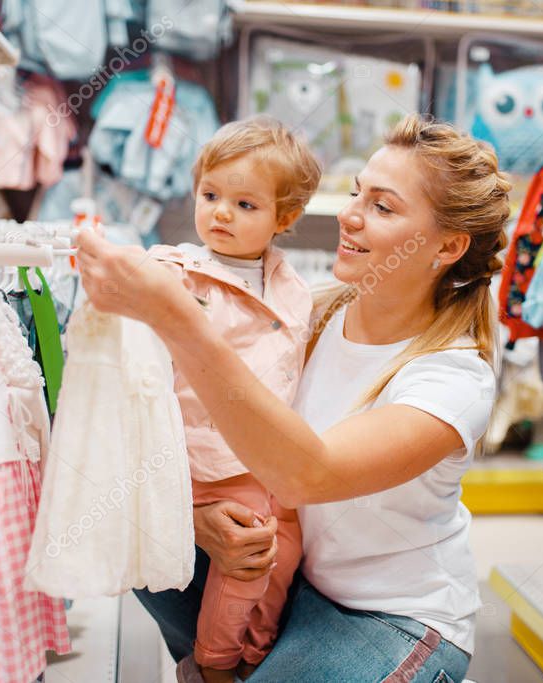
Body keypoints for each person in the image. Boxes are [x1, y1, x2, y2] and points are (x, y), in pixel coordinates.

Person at [77, 114, 510, 682]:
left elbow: (309, 474)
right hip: (292, 579)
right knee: (139, 539)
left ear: (448, 245)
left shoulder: (452, 376)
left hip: (390, 617)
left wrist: (181, 319)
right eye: (356, 193)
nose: (349, 216)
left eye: (382, 207)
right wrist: (198, 518)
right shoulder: (308, 313)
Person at [146, 116, 322, 683]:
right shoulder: (176, 274)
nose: (221, 213)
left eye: (245, 204)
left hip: (273, 458)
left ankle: (257, 652)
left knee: (285, 556)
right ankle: (214, 664)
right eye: (210, 195)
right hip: (212, 454)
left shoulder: (293, 289)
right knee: (248, 559)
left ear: (283, 218)